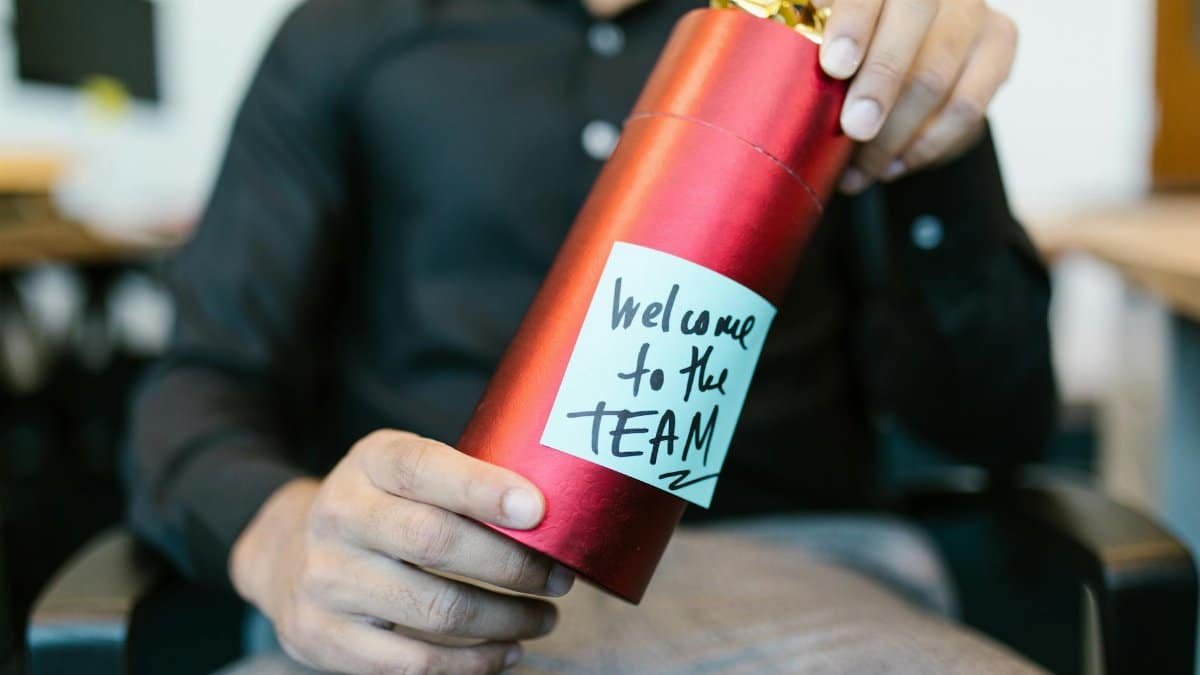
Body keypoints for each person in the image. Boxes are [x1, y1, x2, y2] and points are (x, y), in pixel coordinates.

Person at [125, 0, 1055, 671]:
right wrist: (283, 538)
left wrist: (943, 151)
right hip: (418, 609)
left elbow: (994, 423)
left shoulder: (841, 34)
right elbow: (197, 389)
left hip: (804, 583)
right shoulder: (346, 33)